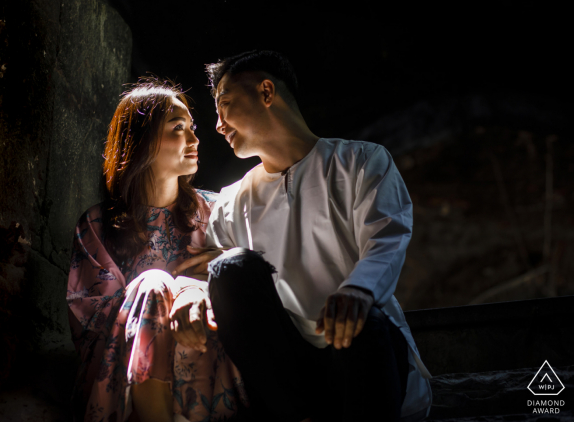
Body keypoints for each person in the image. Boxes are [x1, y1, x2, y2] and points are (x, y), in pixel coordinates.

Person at [174, 51, 433, 421]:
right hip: (290, 378)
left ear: (266, 92)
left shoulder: (362, 161)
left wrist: (357, 291)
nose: (218, 124)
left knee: (363, 324)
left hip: (366, 361)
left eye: (226, 104)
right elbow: (205, 268)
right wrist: (188, 291)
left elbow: (386, 239)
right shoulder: (232, 199)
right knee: (231, 267)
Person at [67, 79, 247, 422]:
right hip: (124, 365)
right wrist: (170, 287)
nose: (195, 140)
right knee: (152, 284)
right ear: (142, 141)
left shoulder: (216, 211)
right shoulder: (97, 224)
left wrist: (205, 285)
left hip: (205, 348)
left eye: (191, 127)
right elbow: (90, 320)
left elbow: (247, 286)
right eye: (178, 128)